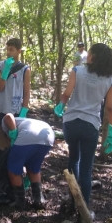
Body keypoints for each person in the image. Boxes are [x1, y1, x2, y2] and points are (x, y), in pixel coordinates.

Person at [55, 43, 112, 210]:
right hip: (91, 125)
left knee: (74, 158)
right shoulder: (109, 78)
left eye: (90, 52)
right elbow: (109, 107)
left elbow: (67, 94)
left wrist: (60, 105)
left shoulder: (77, 71)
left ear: (93, 56)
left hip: (71, 122)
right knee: (87, 168)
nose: (87, 54)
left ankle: (74, 199)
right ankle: (84, 210)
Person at [0, 113, 54, 210]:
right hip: (48, 136)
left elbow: (8, 116)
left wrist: (13, 132)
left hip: (28, 135)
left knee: (13, 170)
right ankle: (38, 199)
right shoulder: (24, 121)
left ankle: (19, 201)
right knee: (33, 168)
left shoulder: (4, 125)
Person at [0, 38, 31, 128]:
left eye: (11, 50)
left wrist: (24, 110)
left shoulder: (25, 69)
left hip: (15, 109)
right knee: (0, 138)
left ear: (19, 51)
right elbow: (0, 88)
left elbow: (26, 91)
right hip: (0, 108)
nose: (8, 53)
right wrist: (6, 70)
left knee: (14, 137)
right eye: (7, 49)